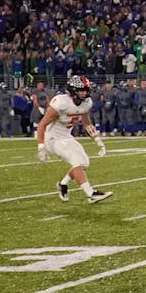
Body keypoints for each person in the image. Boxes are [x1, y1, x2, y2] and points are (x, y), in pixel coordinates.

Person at [37, 75, 112, 204]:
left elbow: (87, 123)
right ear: (73, 91)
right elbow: (42, 125)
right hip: (52, 138)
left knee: (84, 162)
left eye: (86, 89)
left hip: (66, 137)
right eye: (81, 90)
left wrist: (98, 140)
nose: (85, 92)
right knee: (76, 160)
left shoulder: (86, 103)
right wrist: (41, 147)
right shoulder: (61, 103)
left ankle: (63, 183)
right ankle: (91, 193)